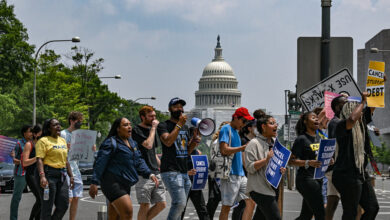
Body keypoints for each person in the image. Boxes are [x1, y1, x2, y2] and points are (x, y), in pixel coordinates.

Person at [89, 117, 158, 219]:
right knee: (127, 213)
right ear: (118, 128)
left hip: (125, 183)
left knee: (114, 217)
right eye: (125, 125)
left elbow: (138, 160)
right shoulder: (110, 142)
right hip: (111, 183)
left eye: (130, 124)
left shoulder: (132, 143)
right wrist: (94, 182)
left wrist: (149, 173)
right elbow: (100, 163)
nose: (129, 127)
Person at [332, 92, 379, 220]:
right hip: (346, 174)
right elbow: (352, 119)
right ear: (340, 108)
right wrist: (362, 102)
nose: (351, 103)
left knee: (372, 208)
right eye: (346, 102)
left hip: (360, 173)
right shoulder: (338, 124)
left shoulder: (362, 124)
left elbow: (372, 107)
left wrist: (378, 84)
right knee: (350, 213)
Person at [157, 97, 201, 220]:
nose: (179, 109)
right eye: (176, 106)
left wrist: (194, 141)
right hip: (171, 171)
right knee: (179, 203)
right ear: (170, 109)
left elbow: (186, 151)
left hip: (183, 172)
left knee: (181, 206)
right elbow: (168, 142)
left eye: (181, 106)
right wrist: (179, 125)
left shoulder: (185, 128)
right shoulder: (163, 125)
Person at [245, 114, 285, 220]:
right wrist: (266, 160)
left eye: (275, 123)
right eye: (272, 123)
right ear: (263, 126)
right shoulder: (253, 143)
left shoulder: (275, 143)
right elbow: (249, 167)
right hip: (259, 189)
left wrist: (281, 169)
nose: (275, 125)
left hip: (272, 188)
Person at [218, 107, 255, 220]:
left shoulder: (236, 132)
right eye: (243, 121)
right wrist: (242, 148)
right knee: (226, 207)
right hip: (231, 174)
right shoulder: (226, 129)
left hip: (240, 174)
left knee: (251, 201)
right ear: (235, 117)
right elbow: (224, 150)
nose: (244, 124)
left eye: (246, 122)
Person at [132, 106, 167, 220]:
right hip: (144, 173)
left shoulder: (152, 130)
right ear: (143, 117)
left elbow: (153, 152)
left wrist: (161, 166)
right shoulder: (136, 130)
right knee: (145, 205)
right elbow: (148, 145)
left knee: (162, 203)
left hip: (155, 172)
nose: (154, 118)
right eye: (151, 116)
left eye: (155, 116)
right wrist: (153, 128)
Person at [36, 118, 74, 220]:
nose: (59, 127)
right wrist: (42, 176)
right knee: (47, 207)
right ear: (48, 128)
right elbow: (39, 159)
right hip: (48, 175)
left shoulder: (62, 140)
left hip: (62, 175)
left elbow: (65, 160)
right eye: (55, 125)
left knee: (64, 205)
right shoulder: (43, 141)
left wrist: (71, 176)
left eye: (59, 124)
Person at [289, 112, 325, 220]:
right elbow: (291, 161)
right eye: (313, 117)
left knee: (306, 216)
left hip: (318, 178)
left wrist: (328, 160)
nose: (316, 119)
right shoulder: (301, 139)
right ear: (305, 121)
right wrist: (308, 162)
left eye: (317, 118)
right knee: (321, 213)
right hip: (306, 180)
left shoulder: (320, 137)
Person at [60, 111, 90, 220]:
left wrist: (90, 149)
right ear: (71, 121)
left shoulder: (80, 135)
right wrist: (65, 147)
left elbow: (83, 153)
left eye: (81, 122)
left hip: (76, 170)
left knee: (76, 197)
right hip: (65, 169)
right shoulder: (63, 134)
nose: (80, 124)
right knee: (68, 199)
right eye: (78, 121)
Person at [325, 95, 347, 220]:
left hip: (335, 168)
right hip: (338, 169)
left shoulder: (338, 121)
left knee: (332, 200)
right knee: (354, 203)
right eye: (346, 103)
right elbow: (335, 142)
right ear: (338, 107)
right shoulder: (336, 122)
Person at [207, 121, 229, 219]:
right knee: (214, 199)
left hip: (217, 170)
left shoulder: (220, 141)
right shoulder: (218, 142)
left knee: (216, 199)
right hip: (216, 171)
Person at [10, 124, 33, 220]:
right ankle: (13, 218)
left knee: (40, 197)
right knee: (17, 197)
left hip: (33, 173)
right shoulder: (18, 144)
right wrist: (22, 162)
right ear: (24, 133)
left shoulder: (34, 143)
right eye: (30, 131)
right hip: (21, 173)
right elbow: (13, 159)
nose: (32, 133)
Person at [181, 148, 210, 220]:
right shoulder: (180, 152)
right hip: (183, 184)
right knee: (180, 210)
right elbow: (174, 169)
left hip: (195, 184)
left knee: (202, 210)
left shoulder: (196, 152)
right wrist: (187, 173)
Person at [22, 124, 42, 220]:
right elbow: (25, 162)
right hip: (31, 175)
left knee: (44, 199)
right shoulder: (29, 144)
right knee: (40, 198)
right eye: (41, 133)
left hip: (41, 175)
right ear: (35, 134)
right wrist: (37, 157)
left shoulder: (42, 144)